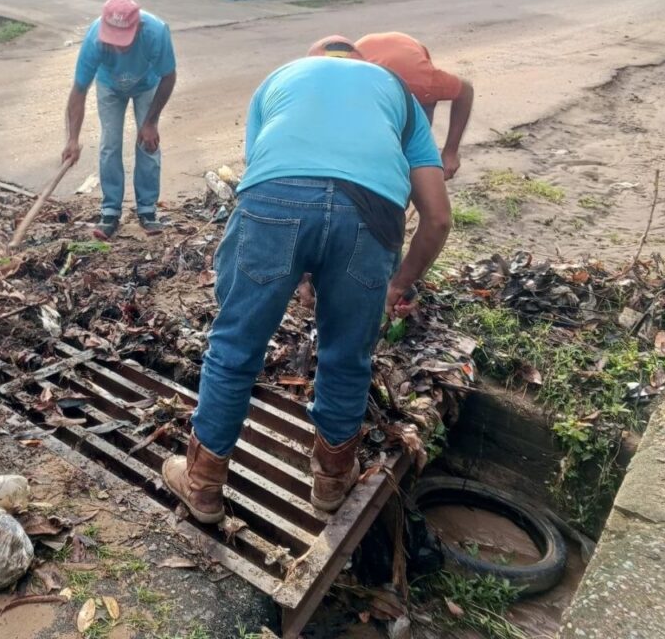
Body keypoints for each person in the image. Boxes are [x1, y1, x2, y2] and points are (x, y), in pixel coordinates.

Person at [162, 37, 451, 521]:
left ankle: (203, 484)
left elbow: (272, 179)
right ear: (363, 65)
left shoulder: (280, 79)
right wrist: (398, 284)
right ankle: (332, 483)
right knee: (348, 356)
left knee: (234, 346)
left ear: (312, 61)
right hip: (371, 215)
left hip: (275, 204)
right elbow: (438, 218)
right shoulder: (395, 92)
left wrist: (297, 268)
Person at [61, 0, 178, 239]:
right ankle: (110, 211)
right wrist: (72, 139)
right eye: (112, 39)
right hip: (109, 86)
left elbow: (169, 76)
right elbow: (79, 90)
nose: (117, 47)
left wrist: (151, 122)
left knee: (148, 143)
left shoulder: (156, 32)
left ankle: (147, 209)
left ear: (139, 27)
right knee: (110, 144)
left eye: (123, 40)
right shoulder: (94, 39)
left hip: (147, 85)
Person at [351, 31, 474, 180]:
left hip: (408, 53)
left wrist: (450, 152)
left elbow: (465, 91)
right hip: (364, 53)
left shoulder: (425, 84)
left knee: (417, 140)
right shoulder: (355, 89)